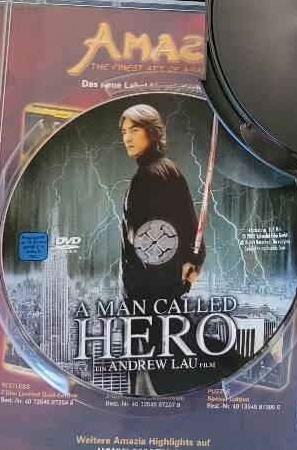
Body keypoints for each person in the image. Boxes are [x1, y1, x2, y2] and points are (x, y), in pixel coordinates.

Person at [119, 104, 204, 395]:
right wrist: (193, 262)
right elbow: (191, 227)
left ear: (153, 133)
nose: (127, 138)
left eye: (135, 130)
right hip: (167, 291)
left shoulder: (147, 177)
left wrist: (166, 281)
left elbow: (146, 246)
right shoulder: (170, 168)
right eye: (124, 131)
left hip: (149, 297)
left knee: (156, 377)